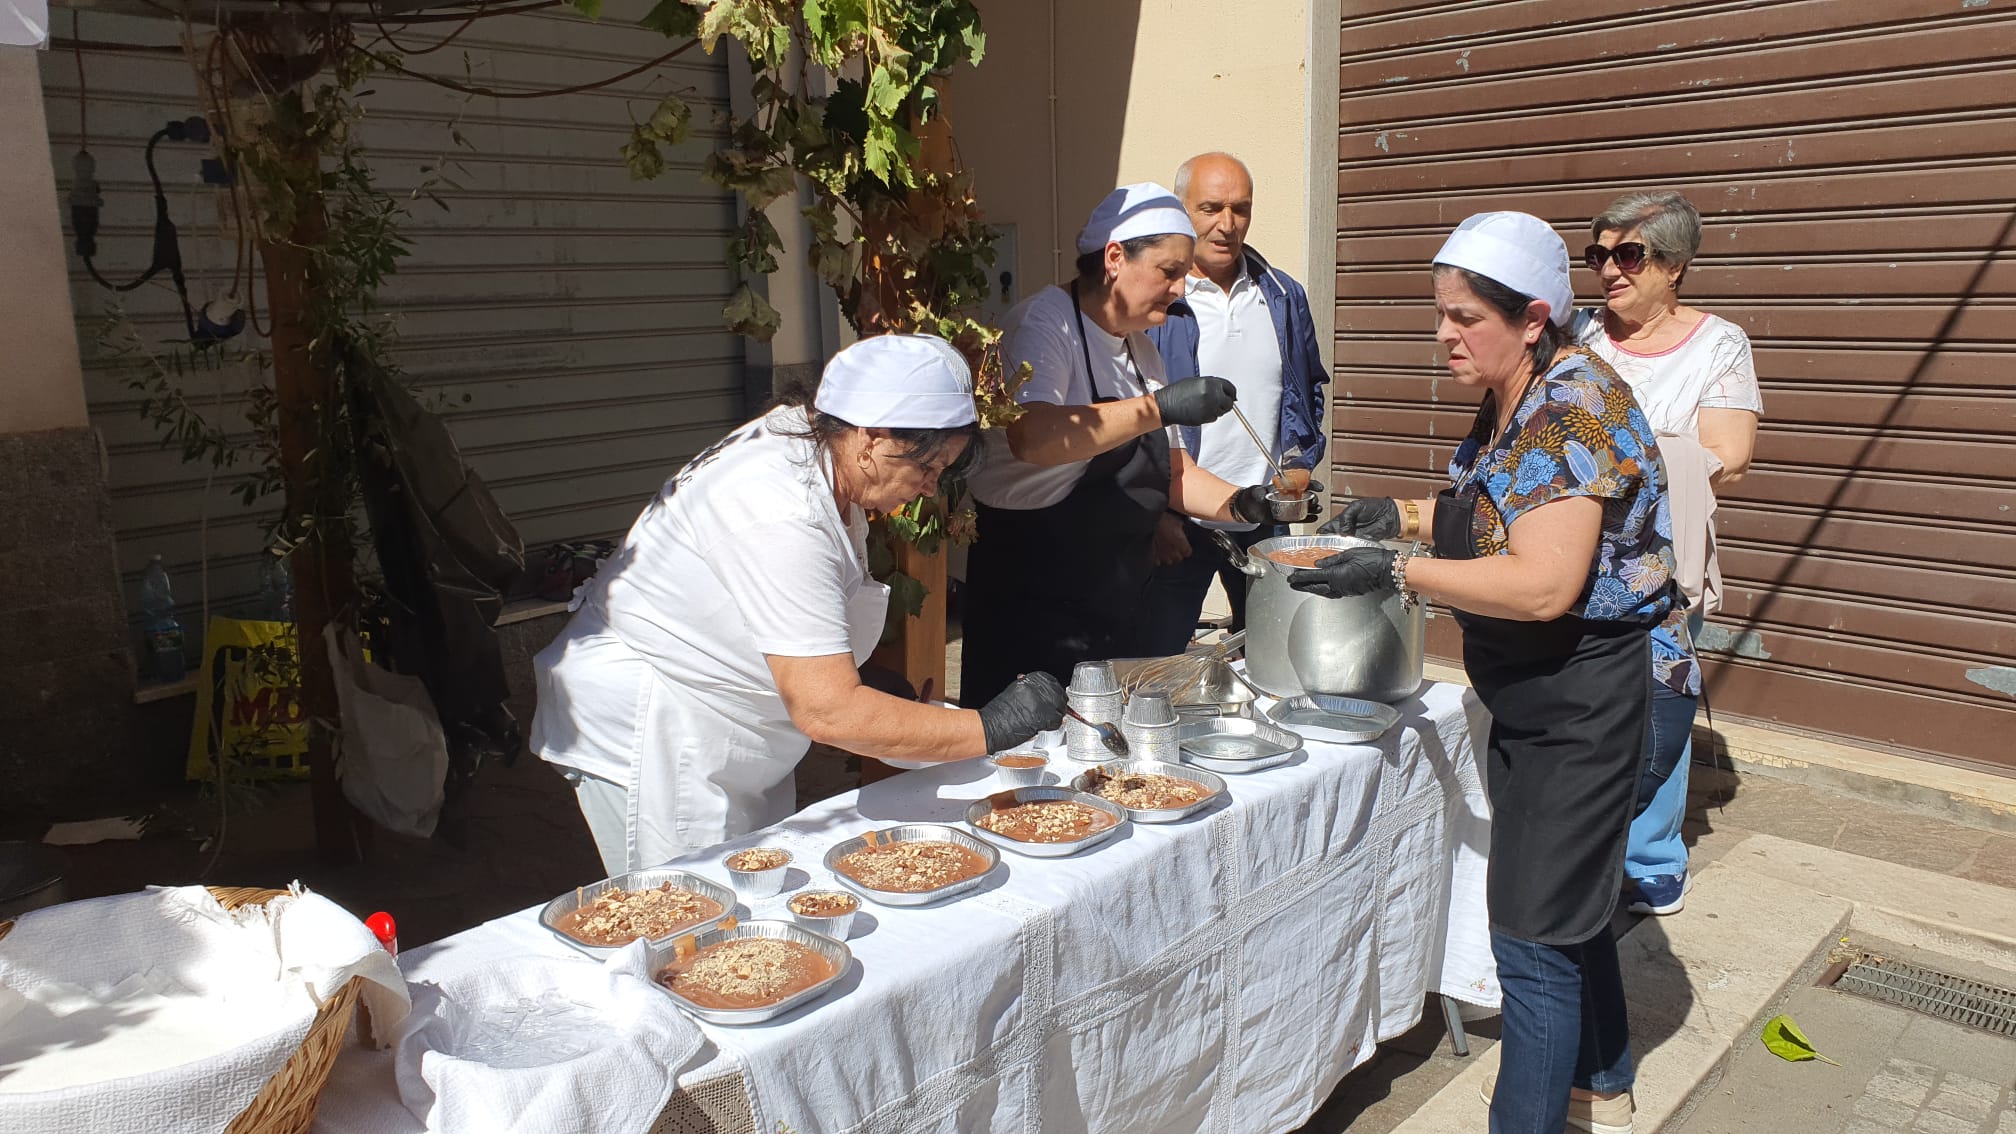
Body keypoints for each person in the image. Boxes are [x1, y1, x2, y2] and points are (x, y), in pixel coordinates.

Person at [1295, 212, 1679, 1134]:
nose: (1444, 334)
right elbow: (1500, 506)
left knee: (1531, 940)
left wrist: (1397, 571)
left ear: (1533, 316)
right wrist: (1402, 516)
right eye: (1441, 313)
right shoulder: (1516, 389)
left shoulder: (1571, 409)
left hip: (1585, 699)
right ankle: (1602, 1082)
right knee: (1568, 905)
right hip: (1534, 694)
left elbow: (1544, 584)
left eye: (1465, 317)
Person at [531, 335, 1067, 875]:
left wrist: (856, 674)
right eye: (927, 467)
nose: (930, 488)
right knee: (692, 907)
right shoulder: (781, 506)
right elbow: (826, 710)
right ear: (872, 437)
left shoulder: (818, 443)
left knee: (753, 890)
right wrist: (991, 726)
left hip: (730, 721)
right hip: (664, 727)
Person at [959, 183, 1316, 707]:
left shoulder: (1141, 349)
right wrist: (1159, 407)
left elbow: (1173, 470)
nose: (1179, 288)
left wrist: (1246, 504)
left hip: (1111, 601)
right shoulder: (1046, 323)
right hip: (1032, 600)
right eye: (1169, 271)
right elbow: (1033, 436)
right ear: (1114, 259)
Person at [1576, 190, 1762, 917]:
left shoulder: (1719, 344)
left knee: (1660, 693)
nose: (1609, 270)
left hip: (1663, 550)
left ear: (1676, 265)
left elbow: (1730, 454)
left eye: (1629, 254)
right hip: (1573, 540)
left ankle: (1651, 856)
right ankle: (1581, 841)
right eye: (1598, 255)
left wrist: (1617, 457)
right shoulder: (1577, 333)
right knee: (1578, 690)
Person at [1140, 152, 1332, 655]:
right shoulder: (1160, 301)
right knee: (1157, 667)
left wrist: (1299, 462)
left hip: (1262, 519)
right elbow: (1133, 413)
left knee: (1274, 660)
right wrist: (1155, 513)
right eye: (1211, 208)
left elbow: (1307, 389)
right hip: (1179, 522)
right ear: (1181, 211)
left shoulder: (1283, 295)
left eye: (1240, 209)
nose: (1227, 224)